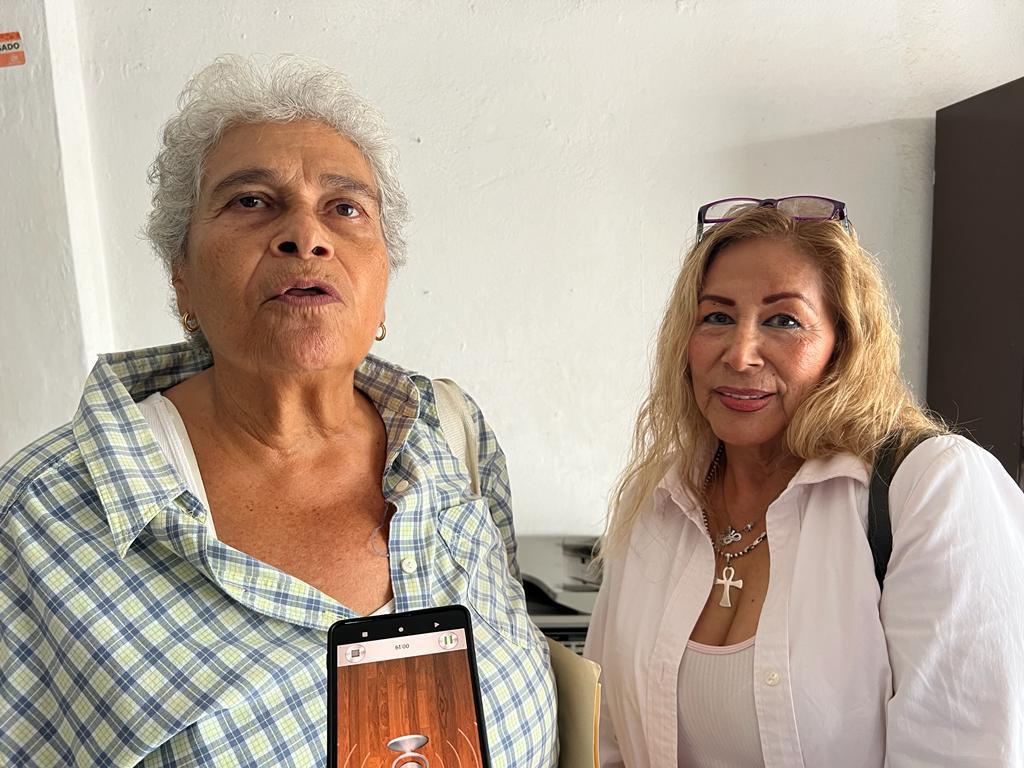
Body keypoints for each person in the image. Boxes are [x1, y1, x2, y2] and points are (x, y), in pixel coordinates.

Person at [0, 56, 556, 767]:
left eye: (345, 208)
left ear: (383, 277)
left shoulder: (452, 436)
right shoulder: (37, 518)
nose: (306, 236)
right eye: (251, 202)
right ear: (182, 278)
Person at [584, 197, 1024, 767]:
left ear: (844, 344)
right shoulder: (659, 501)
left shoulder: (930, 489)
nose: (740, 355)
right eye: (716, 317)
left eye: (784, 321)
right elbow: (607, 743)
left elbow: (966, 752)